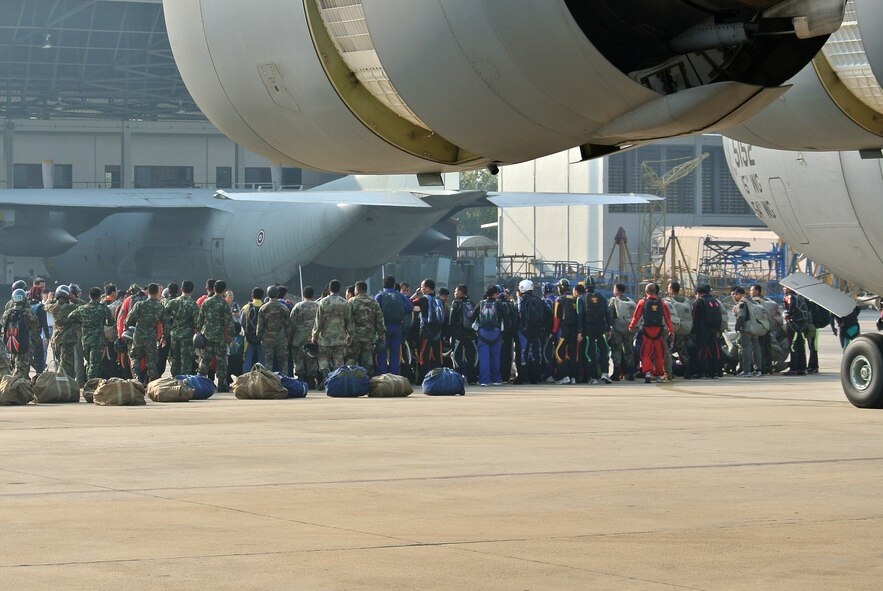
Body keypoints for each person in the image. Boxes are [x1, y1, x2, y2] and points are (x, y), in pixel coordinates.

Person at [629, 283, 674, 383]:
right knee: (659, 353)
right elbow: (667, 318)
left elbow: (636, 316)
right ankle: (658, 374)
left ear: (646, 292)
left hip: (647, 331)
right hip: (659, 331)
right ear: (655, 291)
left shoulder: (642, 302)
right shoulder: (662, 302)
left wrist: (631, 326)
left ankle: (648, 372)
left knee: (646, 352)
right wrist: (671, 330)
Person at [69, 287, 115, 381]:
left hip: (85, 340)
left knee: (90, 363)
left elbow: (70, 317)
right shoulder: (103, 308)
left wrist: (82, 322)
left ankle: (89, 382)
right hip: (98, 340)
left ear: (90, 296)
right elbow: (111, 322)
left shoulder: (83, 308)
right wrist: (102, 322)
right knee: (94, 364)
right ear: (99, 297)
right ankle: (90, 384)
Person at [197, 280, 235, 391]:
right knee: (221, 361)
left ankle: (199, 379)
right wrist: (231, 337)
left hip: (207, 335)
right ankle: (222, 384)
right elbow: (229, 323)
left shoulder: (206, 302)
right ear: (224, 291)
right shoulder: (224, 304)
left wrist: (201, 331)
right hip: (220, 337)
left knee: (205, 360)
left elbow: (200, 320)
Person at [126, 283, 167, 384]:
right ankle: (153, 383)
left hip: (138, 335)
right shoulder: (160, 307)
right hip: (151, 336)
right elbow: (166, 325)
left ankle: (137, 379)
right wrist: (164, 337)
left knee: (135, 357)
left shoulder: (140, 305)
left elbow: (128, 320)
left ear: (147, 292)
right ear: (157, 292)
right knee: (151, 361)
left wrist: (128, 328)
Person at [311, 279, 352, 380]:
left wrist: (314, 336)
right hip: (340, 338)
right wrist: (350, 335)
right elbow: (349, 321)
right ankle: (337, 380)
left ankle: (325, 371)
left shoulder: (323, 302)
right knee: (339, 360)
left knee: (323, 357)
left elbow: (318, 322)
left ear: (329, 289)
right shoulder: (344, 303)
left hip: (325, 338)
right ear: (339, 289)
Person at [375, 275, 413, 376]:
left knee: (382, 354)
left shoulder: (380, 296)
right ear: (394, 284)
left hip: (384, 329)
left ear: (383, 284)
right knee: (395, 355)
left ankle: (382, 377)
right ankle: (395, 377)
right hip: (397, 328)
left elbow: (374, 311)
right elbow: (410, 307)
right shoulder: (400, 296)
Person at [577, 277, 612, 385]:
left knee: (590, 353)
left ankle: (593, 377)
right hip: (600, 328)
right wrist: (608, 328)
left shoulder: (581, 299)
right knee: (604, 350)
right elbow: (607, 313)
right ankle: (605, 373)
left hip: (588, 330)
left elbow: (580, 316)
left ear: (585, 286)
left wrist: (580, 332)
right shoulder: (602, 297)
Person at [411, 278, 446, 382]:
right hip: (437, 331)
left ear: (426, 288)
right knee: (437, 356)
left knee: (423, 355)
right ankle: (438, 378)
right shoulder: (439, 300)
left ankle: (423, 379)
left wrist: (416, 294)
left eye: (422, 287)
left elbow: (408, 303)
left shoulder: (423, 299)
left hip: (425, 330)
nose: (421, 289)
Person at [347, 281, 385, 374]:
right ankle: (367, 378)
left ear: (357, 290)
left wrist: (347, 334)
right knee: (367, 358)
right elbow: (380, 319)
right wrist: (381, 333)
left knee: (351, 358)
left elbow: (347, 319)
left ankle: (351, 378)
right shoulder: (374, 302)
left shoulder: (351, 301)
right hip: (369, 335)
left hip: (354, 336)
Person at [2, 289, 40, 378]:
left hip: (12, 344)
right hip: (25, 343)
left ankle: (15, 384)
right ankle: (22, 386)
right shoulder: (27, 312)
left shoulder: (7, 313)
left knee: (14, 365)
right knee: (23, 368)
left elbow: (3, 324)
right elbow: (36, 324)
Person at [45, 285, 81, 379]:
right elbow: (84, 305)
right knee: (67, 364)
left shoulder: (52, 307)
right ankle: (67, 383)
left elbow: (46, 305)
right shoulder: (70, 307)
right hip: (68, 339)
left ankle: (60, 382)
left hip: (56, 339)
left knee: (59, 361)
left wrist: (50, 299)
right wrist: (73, 298)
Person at [165, 280, 199, 377]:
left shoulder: (172, 302)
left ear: (181, 289)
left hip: (174, 335)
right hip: (187, 336)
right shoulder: (193, 304)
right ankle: (184, 381)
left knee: (175, 359)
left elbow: (164, 317)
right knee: (186, 360)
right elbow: (197, 322)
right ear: (192, 291)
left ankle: (174, 379)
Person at [515, 279, 545, 384]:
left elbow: (520, 312)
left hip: (524, 331)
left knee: (523, 353)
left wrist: (521, 327)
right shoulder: (538, 300)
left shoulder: (521, 299)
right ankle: (535, 377)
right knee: (535, 354)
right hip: (536, 331)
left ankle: (522, 377)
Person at [691, 284, 723, 379]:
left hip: (702, 330)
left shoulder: (699, 302)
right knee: (714, 350)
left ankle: (701, 372)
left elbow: (694, 318)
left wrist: (693, 331)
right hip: (714, 329)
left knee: (701, 350)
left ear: (698, 293)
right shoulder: (715, 301)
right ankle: (714, 372)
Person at [256, 285, 291, 373]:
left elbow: (260, 327)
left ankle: (269, 383)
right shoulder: (284, 308)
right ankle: (284, 382)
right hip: (281, 340)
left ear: (267, 294)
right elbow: (288, 326)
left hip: (267, 341)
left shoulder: (263, 309)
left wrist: (259, 338)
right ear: (277, 293)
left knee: (268, 364)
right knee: (283, 364)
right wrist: (288, 339)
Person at [290, 286, 320, 387]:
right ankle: (311, 380)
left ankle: (300, 378)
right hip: (312, 338)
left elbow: (292, 323)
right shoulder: (317, 306)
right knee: (311, 359)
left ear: (303, 295)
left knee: (299, 359)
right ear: (313, 295)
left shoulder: (298, 306)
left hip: (299, 338)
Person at [449, 284, 478, 384]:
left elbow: (451, 320)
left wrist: (450, 333)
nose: (454, 293)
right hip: (470, 334)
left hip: (458, 334)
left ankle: (458, 378)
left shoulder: (456, 303)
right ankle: (472, 379)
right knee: (471, 357)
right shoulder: (472, 303)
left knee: (457, 356)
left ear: (461, 293)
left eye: (456, 291)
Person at [552, 279, 579, 384]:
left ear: (561, 288)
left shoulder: (559, 300)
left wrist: (554, 331)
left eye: (558, 287)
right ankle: (573, 377)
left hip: (563, 330)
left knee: (560, 352)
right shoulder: (575, 299)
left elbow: (556, 318)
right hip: (575, 330)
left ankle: (564, 376)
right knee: (572, 353)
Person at [608, 283, 636, 382]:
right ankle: (631, 373)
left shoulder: (613, 301)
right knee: (628, 349)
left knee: (616, 350)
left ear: (617, 291)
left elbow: (610, 315)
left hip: (617, 329)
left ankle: (616, 373)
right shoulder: (630, 301)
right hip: (629, 329)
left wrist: (609, 328)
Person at [732, 286, 762, 377]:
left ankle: (746, 370)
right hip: (755, 327)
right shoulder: (752, 300)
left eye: (735, 295)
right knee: (756, 348)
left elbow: (741, 316)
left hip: (746, 328)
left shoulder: (742, 302)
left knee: (746, 349)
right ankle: (758, 369)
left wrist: (737, 327)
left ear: (738, 295)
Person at [783, 287, 809, 376]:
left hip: (793, 325)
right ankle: (802, 368)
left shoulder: (789, 297)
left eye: (785, 287)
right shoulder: (800, 297)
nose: (783, 289)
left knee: (793, 346)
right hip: (802, 325)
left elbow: (791, 309)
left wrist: (787, 315)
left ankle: (794, 368)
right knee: (801, 346)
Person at [239, 287, 264, 372]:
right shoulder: (265, 307)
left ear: (252, 296)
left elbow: (242, 322)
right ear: (262, 296)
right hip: (262, 339)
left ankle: (246, 379)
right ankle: (262, 379)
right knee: (262, 360)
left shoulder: (246, 307)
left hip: (248, 339)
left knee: (247, 360)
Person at [497, 287, 518, 383]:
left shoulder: (497, 304)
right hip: (510, 333)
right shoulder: (511, 304)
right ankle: (506, 376)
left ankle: (498, 375)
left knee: (498, 355)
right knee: (508, 355)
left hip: (499, 333)